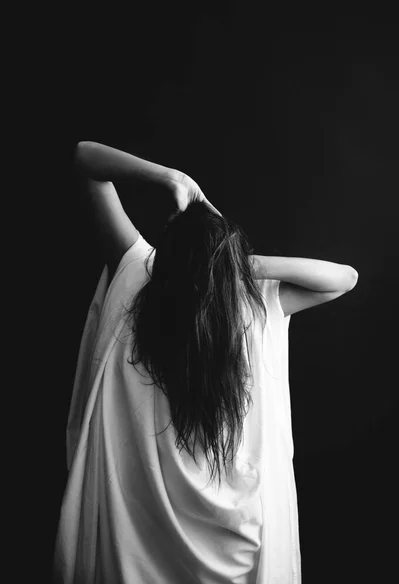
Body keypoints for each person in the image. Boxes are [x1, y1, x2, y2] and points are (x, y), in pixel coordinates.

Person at [53, 141, 358, 584]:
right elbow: (343, 278)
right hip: (232, 541)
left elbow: (84, 157)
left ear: (168, 250)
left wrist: (171, 179)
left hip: (138, 542)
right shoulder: (248, 307)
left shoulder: (138, 274)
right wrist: (234, 266)